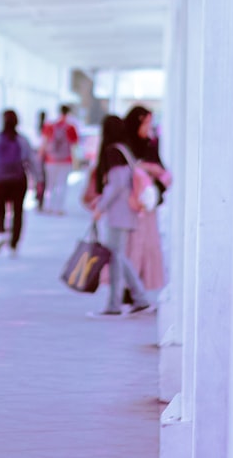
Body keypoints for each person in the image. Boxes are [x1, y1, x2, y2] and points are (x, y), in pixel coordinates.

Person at [89, 115, 149, 317]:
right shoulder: (124, 150)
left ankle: (128, 301)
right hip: (127, 211)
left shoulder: (112, 152)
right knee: (117, 256)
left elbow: (115, 185)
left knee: (117, 256)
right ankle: (127, 301)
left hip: (118, 212)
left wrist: (101, 207)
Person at [121, 105, 171, 296]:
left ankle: (138, 290)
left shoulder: (151, 143)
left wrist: (152, 173)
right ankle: (128, 290)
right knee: (130, 248)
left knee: (146, 248)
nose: (149, 128)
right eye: (146, 123)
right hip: (129, 205)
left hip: (147, 206)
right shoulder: (125, 146)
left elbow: (164, 173)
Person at [0, 109, 38, 257]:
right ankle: (14, 244)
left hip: (0, 178)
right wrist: (38, 178)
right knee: (18, 211)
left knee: (0, 209)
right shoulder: (22, 140)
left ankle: (2, 232)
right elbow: (31, 160)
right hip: (18, 179)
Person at [40, 104, 79, 215]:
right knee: (62, 184)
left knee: (50, 185)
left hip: (50, 160)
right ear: (68, 113)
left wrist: (40, 156)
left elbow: (44, 143)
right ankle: (59, 208)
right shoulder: (71, 128)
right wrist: (76, 163)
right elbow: (74, 146)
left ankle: (48, 206)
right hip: (65, 161)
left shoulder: (49, 126)